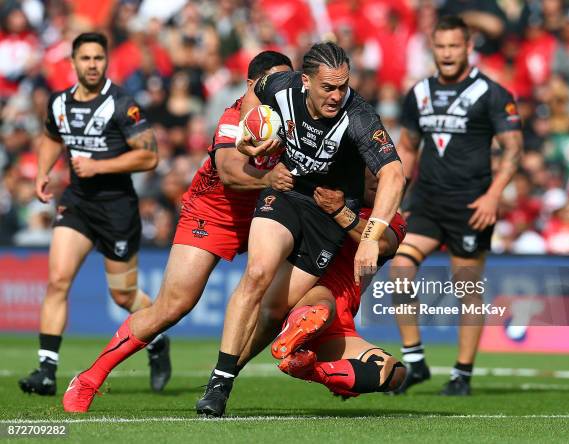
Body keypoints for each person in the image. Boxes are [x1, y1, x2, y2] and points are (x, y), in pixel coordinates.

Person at [61, 51, 294, 413]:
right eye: (277, 81)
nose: (285, 89)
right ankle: (90, 378)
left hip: (271, 214)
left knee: (281, 301)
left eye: (290, 82)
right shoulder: (234, 118)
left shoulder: (294, 115)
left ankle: (223, 380)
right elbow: (231, 171)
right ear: (253, 84)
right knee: (173, 306)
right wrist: (268, 177)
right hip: (213, 213)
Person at [196, 41, 404, 417]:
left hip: (327, 218)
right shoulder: (280, 87)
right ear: (305, 81)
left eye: (343, 86)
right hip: (288, 193)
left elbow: (393, 173)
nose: (337, 95)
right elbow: (251, 101)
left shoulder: (359, 117)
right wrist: (254, 141)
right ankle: (219, 384)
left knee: (275, 309)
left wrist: (371, 238)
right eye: (328, 87)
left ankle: (296, 359)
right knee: (257, 272)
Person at [18, 32, 166, 396]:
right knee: (57, 281)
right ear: (73, 63)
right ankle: (47, 371)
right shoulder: (59, 103)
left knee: (123, 295)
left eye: (98, 58)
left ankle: (158, 338)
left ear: (106, 61)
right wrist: (41, 172)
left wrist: (100, 166)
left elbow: (149, 156)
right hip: (78, 204)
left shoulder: (122, 103)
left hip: (117, 208)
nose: (92, 65)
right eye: (85, 58)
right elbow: (52, 136)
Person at [390, 16, 523, 396]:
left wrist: (494, 195)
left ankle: (462, 374)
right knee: (400, 268)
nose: (447, 54)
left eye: (454, 46)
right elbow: (409, 148)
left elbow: (513, 149)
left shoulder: (493, 93)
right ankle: (414, 360)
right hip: (428, 202)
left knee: (466, 286)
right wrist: (396, 199)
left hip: (472, 205)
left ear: (468, 47)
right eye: (440, 46)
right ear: (433, 48)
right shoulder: (419, 94)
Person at [272, 186, 408, 397]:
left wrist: (339, 211)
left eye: (386, 180)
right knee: (323, 305)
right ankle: (294, 330)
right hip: (308, 295)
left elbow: (383, 244)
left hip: (340, 325)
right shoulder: (316, 193)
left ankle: (310, 368)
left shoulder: (392, 220)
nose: (380, 183)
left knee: (394, 373)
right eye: (375, 173)